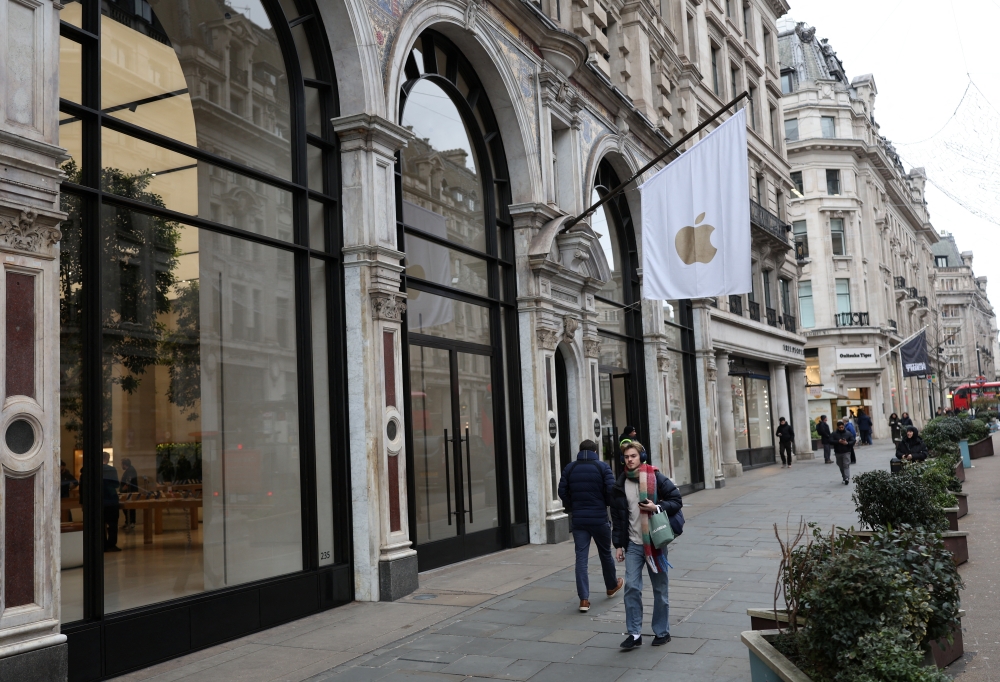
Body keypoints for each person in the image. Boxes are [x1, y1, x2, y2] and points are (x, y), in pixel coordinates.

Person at [610, 441, 682, 650]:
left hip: (655, 543)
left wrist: (656, 506)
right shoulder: (620, 483)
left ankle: (662, 631)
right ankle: (634, 634)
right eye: (626, 457)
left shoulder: (655, 477)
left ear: (641, 456)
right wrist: (618, 545)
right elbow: (617, 517)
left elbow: (676, 500)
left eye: (633, 455)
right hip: (633, 544)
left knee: (660, 588)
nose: (630, 459)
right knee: (631, 587)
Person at [558, 439, 623, 613]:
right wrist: (603, 504)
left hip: (579, 519)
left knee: (581, 559)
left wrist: (574, 505)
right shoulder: (602, 467)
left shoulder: (570, 468)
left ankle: (584, 599)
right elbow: (612, 491)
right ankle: (611, 586)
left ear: (580, 451)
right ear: (595, 451)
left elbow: (561, 491)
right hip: (599, 518)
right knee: (605, 553)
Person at [102, 451, 121, 552]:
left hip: (100, 500)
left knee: (101, 524)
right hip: (111, 499)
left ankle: (103, 544)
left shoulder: (95, 469)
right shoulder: (112, 470)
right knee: (113, 524)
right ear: (107, 458)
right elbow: (116, 484)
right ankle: (111, 544)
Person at [120, 457, 139, 530]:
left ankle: (131, 522)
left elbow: (128, 481)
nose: (121, 466)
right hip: (128, 492)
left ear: (124, 464)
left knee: (130, 508)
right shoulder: (130, 469)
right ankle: (128, 522)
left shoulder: (130, 470)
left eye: (122, 464)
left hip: (129, 492)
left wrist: (123, 488)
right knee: (128, 508)